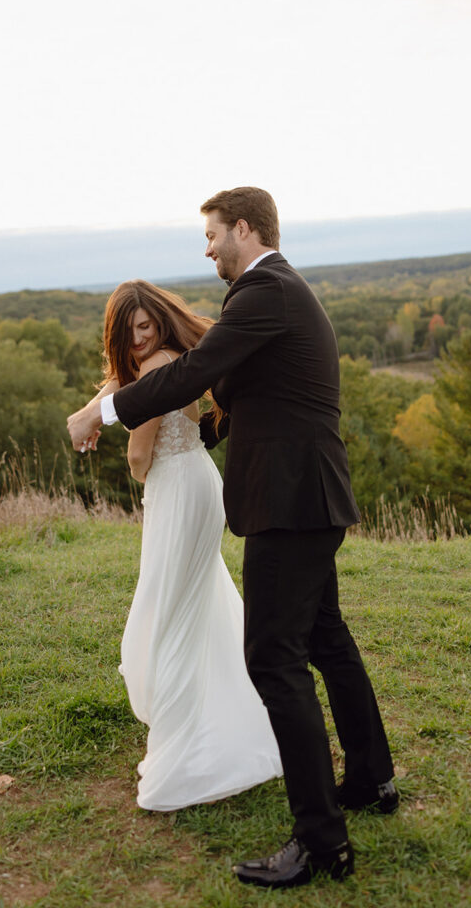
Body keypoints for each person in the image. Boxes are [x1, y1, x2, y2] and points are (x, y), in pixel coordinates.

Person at [68, 187, 397, 889]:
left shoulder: (261, 293)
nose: (208, 249)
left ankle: (320, 843)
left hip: (289, 502)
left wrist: (99, 410)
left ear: (243, 229)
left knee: (273, 659)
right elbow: (243, 403)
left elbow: (192, 373)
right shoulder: (275, 292)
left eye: (213, 235)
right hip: (304, 495)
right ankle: (370, 781)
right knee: (326, 639)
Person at [77, 280, 282, 811]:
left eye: (145, 326)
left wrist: (141, 469)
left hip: (175, 486)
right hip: (200, 479)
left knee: (166, 608)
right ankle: (229, 722)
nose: (139, 338)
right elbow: (124, 392)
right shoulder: (176, 357)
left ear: (159, 323)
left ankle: (187, 746)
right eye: (129, 331)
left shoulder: (153, 369)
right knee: (200, 603)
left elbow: (139, 454)